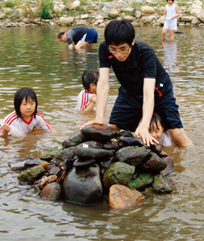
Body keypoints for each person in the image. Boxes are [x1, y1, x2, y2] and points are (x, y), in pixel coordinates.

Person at [81, 19, 193, 147]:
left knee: (177, 134)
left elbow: (148, 92)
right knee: (111, 129)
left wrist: (144, 125)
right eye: (114, 49)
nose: (119, 54)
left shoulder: (145, 53)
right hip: (129, 91)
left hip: (158, 91)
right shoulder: (104, 49)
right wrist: (99, 117)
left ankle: (194, 158)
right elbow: (104, 83)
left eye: (123, 49)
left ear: (132, 42)